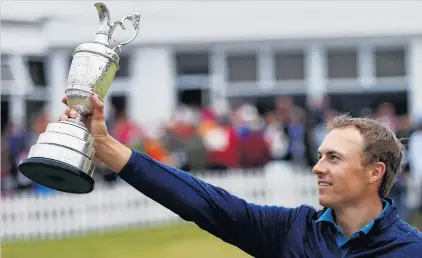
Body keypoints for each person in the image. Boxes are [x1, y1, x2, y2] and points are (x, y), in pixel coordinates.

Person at [59, 95, 422, 257]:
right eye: (319, 156)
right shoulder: (292, 230)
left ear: (375, 172)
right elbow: (205, 203)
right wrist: (104, 144)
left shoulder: (411, 249)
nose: (318, 166)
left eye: (334, 158)